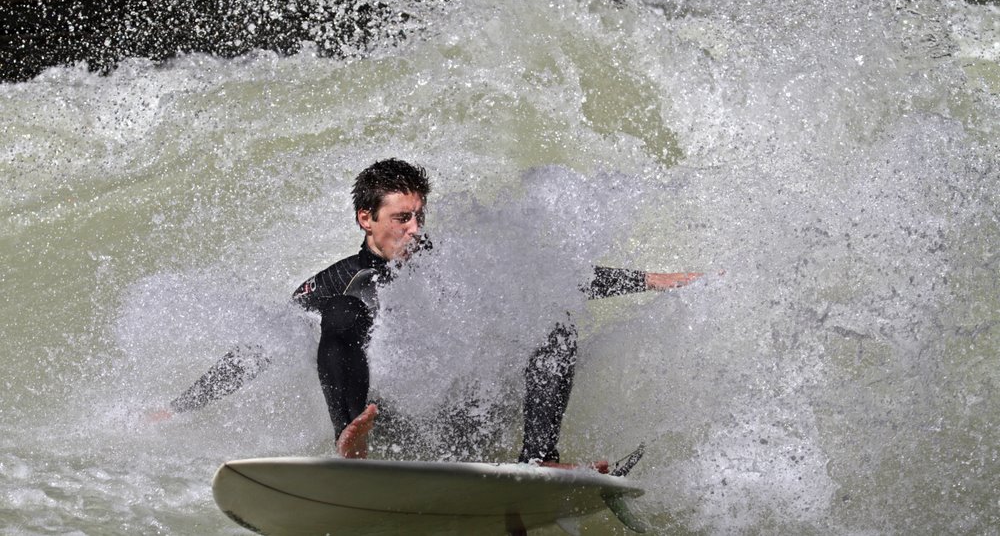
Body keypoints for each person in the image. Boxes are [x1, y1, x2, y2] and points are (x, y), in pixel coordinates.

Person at [160, 158, 704, 464]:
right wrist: (182, 408)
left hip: (465, 416)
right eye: (401, 218)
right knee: (342, 318)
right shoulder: (333, 283)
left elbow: (546, 279)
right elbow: (263, 345)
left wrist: (654, 279)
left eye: (419, 216)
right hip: (389, 424)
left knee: (552, 321)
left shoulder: (452, 264)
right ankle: (349, 444)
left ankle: (538, 458)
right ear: (365, 219)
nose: (415, 230)